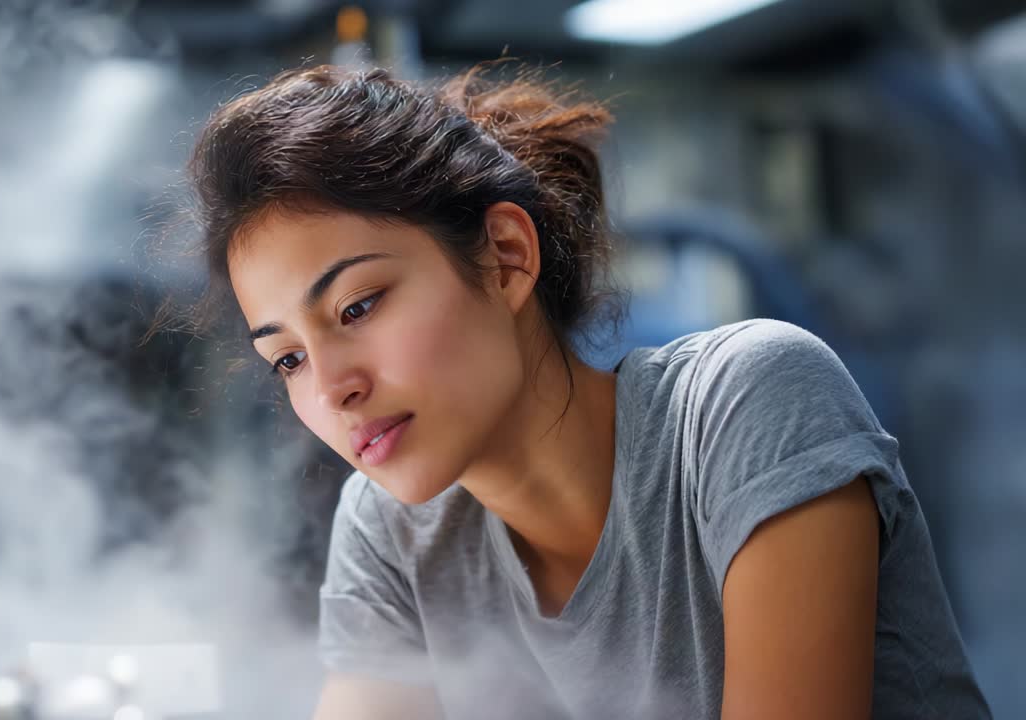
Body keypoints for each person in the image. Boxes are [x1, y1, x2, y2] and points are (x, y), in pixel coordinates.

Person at [172, 64, 990, 719]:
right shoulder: (393, 532)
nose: (333, 388)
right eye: (287, 361)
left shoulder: (745, 401)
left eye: (358, 306)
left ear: (504, 255)